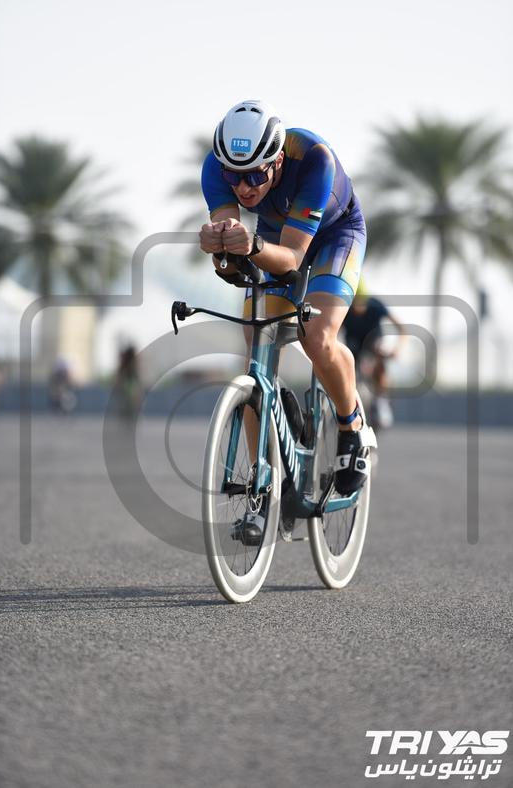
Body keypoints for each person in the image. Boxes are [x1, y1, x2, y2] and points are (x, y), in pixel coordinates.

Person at [199, 99, 369, 537]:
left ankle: (351, 426)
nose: (244, 188)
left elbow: (292, 258)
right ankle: (267, 489)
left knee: (317, 337)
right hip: (276, 235)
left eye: (255, 176)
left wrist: (251, 246)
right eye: (234, 177)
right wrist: (219, 250)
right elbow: (232, 261)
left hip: (335, 236)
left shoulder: (314, 160)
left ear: (276, 161)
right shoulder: (215, 168)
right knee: (256, 349)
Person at [342, 278, 405, 429]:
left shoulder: (376, 306)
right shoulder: (343, 309)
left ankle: (381, 399)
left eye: (361, 302)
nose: (358, 307)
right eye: (354, 302)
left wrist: (397, 349)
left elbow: (401, 329)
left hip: (374, 342)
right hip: (354, 346)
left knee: (379, 357)